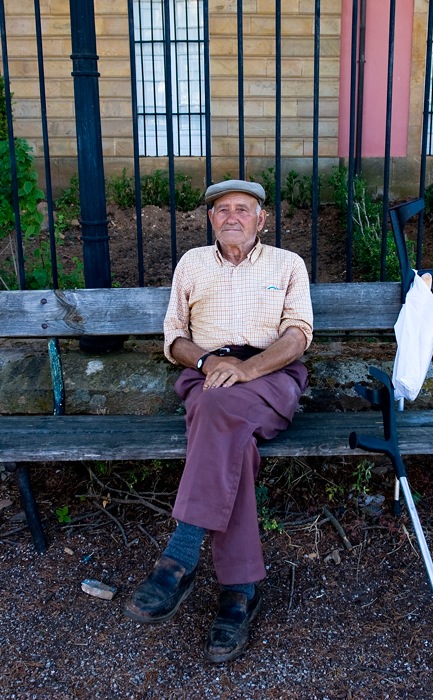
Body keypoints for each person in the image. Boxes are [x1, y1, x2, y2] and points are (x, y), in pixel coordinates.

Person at [124, 179, 313, 663]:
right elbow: (174, 337)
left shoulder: (288, 264)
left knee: (216, 410)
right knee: (232, 439)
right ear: (211, 219)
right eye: (222, 209)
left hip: (270, 374)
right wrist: (210, 363)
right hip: (207, 373)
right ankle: (239, 591)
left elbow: (298, 335)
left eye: (243, 209)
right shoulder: (192, 263)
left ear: (261, 219)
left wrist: (248, 369)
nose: (232, 216)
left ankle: (181, 555)